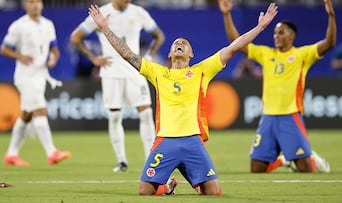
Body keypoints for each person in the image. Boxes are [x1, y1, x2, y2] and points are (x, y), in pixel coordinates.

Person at [88, 2, 278, 195]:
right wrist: (105, 28)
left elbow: (234, 47)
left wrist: (260, 27)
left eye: (184, 43)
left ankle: (194, 179)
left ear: (191, 54)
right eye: (176, 43)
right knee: (144, 191)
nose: (179, 44)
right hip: (165, 141)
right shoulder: (158, 72)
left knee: (213, 192)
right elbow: (127, 54)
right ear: (170, 54)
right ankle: (168, 185)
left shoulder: (202, 71)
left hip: (192, 141)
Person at [218, 0, 336, 173]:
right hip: (268, 117)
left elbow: (329, 43)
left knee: (305, 169)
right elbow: (236, 43)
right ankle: (283, 160)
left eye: (281, 32)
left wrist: (331, 16)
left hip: (290, 115)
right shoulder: (266, 54)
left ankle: (310, 158)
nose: (276, 36)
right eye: (275, 33)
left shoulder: (302, 55)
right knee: (256, 169)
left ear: (291, 36)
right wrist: (227, 14)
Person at [70, 0, 165, 173]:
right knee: (114, 116)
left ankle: (150, 158)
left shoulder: (139, 12)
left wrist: (149, 57)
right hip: (111, 73)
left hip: (135, 72)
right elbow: (75, 37)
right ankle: (122, 161)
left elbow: (159, 35)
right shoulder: (102, 13)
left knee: (145, 114)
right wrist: (93, 58)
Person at [1, 0, 71, 166]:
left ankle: (11, 155)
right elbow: (4, 48)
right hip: (25, 76)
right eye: (31, 2)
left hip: (40, 75)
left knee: (26, 114)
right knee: (40, 109)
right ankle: (51, 152)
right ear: (26, 6)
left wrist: (54, 58)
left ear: (42, 5)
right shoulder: (19, 26)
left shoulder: (48, 25)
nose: (35, 5)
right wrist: (21, 57)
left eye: (38, 2)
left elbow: (54, 48)